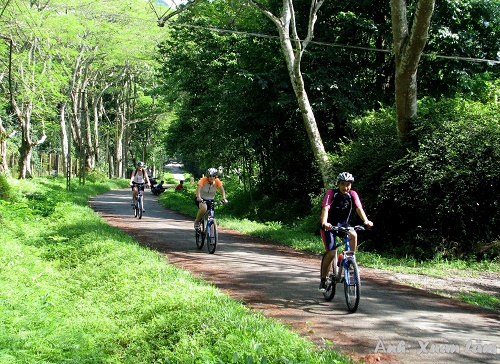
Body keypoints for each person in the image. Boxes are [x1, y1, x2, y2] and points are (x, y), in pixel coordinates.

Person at [319, 172, 373, 291]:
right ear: (338, 184)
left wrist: (366, 221)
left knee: (353, 234)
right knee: (331, 253)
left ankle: (350, 259)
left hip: (343, 225)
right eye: (343, 184)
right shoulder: (331, 193)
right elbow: (325, 208)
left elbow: (359, 208)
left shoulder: (352, 194)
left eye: (348, 184)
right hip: (329, 226)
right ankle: (323, 280)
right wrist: (324, 223)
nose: (345, 187)